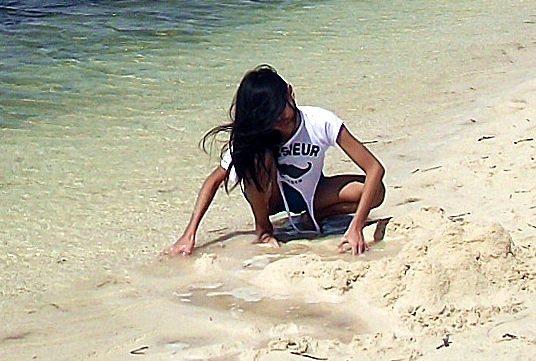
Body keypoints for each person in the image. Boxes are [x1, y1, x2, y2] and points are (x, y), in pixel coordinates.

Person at [162, 67, 385, 256]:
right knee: (256, 157)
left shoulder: (321, 122)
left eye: (282, 111)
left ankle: (311, 217)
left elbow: (374, 168)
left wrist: (356, 226)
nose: (280, 120)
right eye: (272, 117)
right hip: (270, 199)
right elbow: (213, 181)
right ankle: (264, 230)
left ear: (291, 93)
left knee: (376, 192)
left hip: (312, 193)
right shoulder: (257, 136)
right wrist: (189, 234)